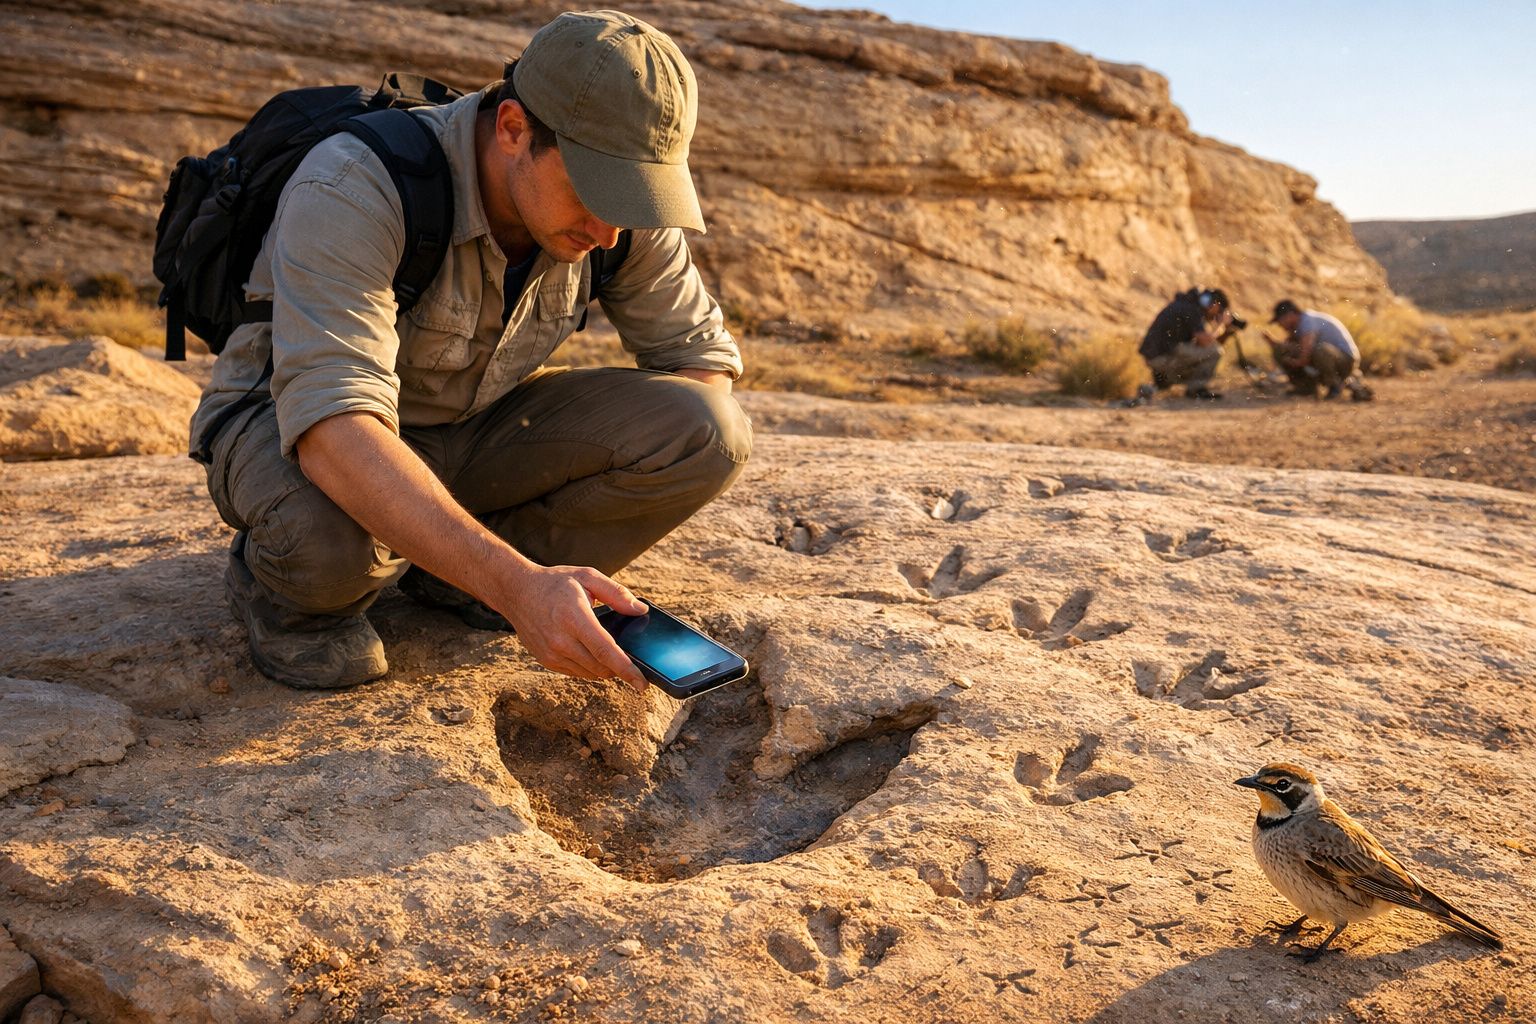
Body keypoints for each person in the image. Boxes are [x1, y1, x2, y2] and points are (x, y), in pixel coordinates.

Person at [190, 10, 752, 691]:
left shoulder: (618, 217)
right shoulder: (355, 182)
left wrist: (523, 565)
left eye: (632, 195)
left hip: (471, 428)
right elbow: (333, 428)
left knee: (707, 429)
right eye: (595, 189)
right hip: (303, 429)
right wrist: (518, 586)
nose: (609, 231)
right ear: (513, 128)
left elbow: (699, 361)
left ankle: (454, 575)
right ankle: (284, 595)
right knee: (326, 547)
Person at [1135, 287, 1234, 402]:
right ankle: (1195, 389)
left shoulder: (1186, 304)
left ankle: (1161, 382)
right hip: (1161, 357)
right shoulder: (1192, 309)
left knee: (1197, 357)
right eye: (1220, 310)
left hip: (1156, 355)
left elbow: (1199, 344)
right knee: (1215, 351)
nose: (1218, 314)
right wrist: (1221, 325)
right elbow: (1205, 341)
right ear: (1215, 305)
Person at [1267, 299, 1369, 399]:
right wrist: (1277, 346)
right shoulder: (1299, 325)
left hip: (1347, 360)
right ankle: (1306, 388)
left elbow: (1306, 352)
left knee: (1320, 350)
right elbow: (1294, 348)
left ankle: (1334, 385)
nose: (1280, 325)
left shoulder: (1307, 321)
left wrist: (1296, 362)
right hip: (1334, 358)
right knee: (1282, 351)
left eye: (1280, 321)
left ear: (1290, 315)